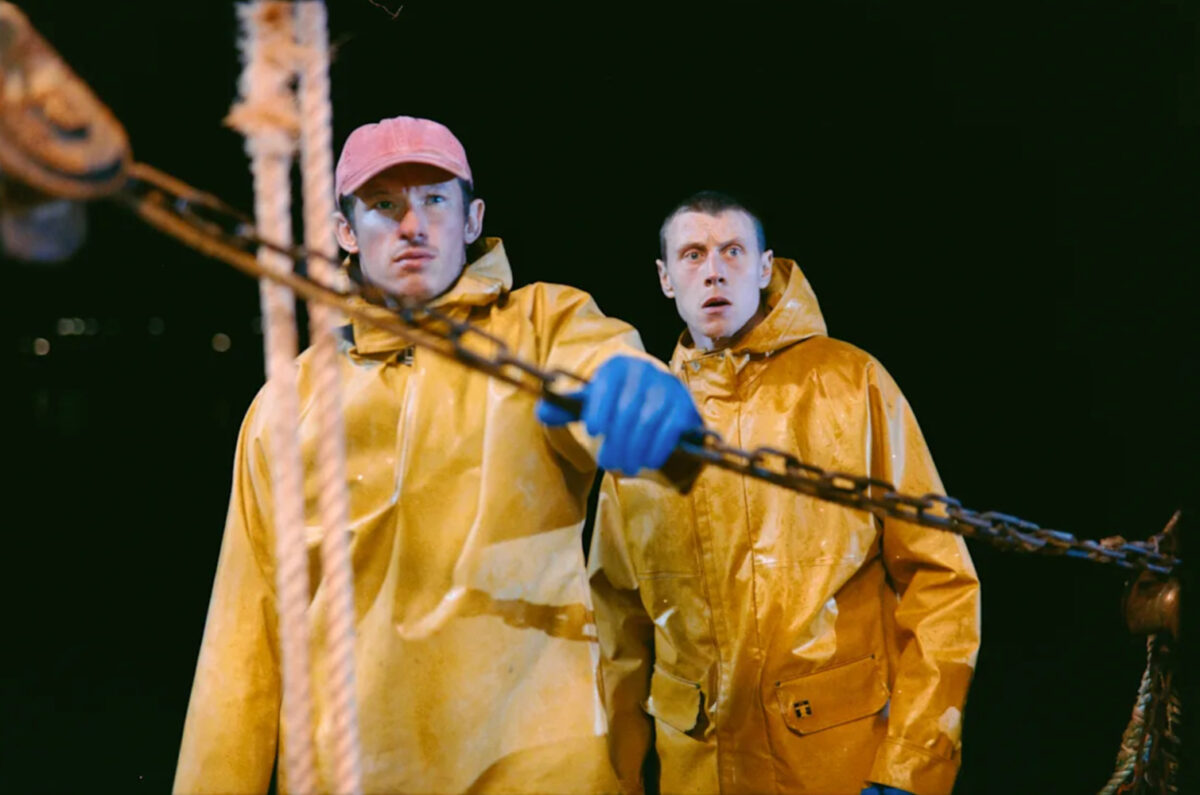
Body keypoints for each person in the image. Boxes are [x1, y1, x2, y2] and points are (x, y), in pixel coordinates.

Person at [174, 116, 699, 794]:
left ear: (472, 218)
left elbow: (604, 367)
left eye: (434, 200)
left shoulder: (543, 329)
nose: (413, 225)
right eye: (383, 205)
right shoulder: (288, 405)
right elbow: (242, 643)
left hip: (537, 773)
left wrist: (645, 390)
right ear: (344, 232)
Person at [577, 191, 981, 795]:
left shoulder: (850, 384)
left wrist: (909, 765)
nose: (713, 271)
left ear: (765, 268)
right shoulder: (649, 422)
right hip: (700, 773)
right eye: (692, 255)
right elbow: (615, 627)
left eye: (732, 251)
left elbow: (939, 581)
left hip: (838, 765)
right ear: (665, 278)